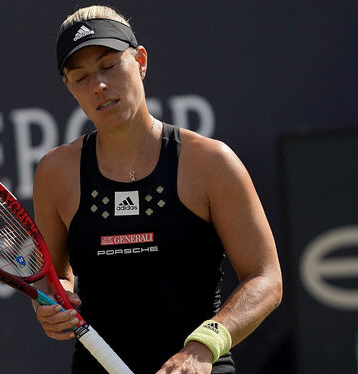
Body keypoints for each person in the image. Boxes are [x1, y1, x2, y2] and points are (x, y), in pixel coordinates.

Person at [32, 5, 282, 374]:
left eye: (109, 65)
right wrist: (50, 305)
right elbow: (54, 277)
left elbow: (266, 279)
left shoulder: (211, 162)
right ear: (70, 88)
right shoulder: (56, 172)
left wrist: (203, 347)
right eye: (81, 76)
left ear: (141, 61)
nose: (99, 85)